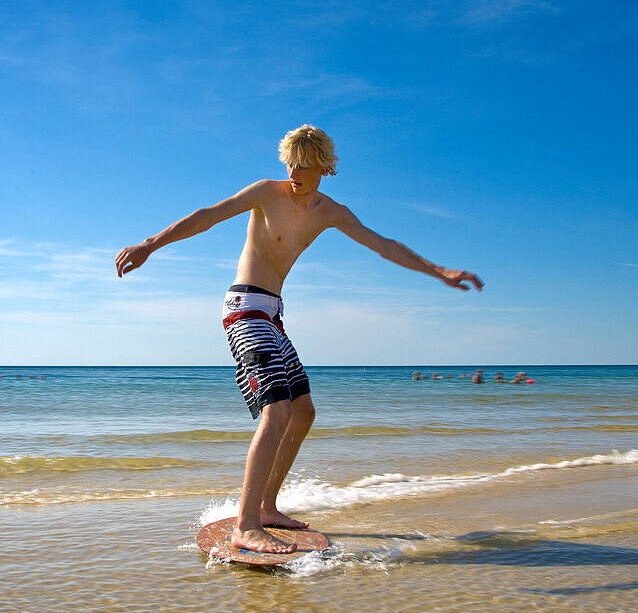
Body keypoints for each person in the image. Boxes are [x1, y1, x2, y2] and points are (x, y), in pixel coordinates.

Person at [114, 125, 482, 554]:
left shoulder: (330, 212)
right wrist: (150, 243)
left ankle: (267, 506)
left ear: (324, 168)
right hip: (244, 308)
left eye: (305, 166)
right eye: (290, 163)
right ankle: (246, 523)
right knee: (277, 411)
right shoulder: (266, 193)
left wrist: (439, 272)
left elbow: (385, 246)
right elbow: (209, 214)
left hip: (273, 313)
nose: (295, 173)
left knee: (303, 411)